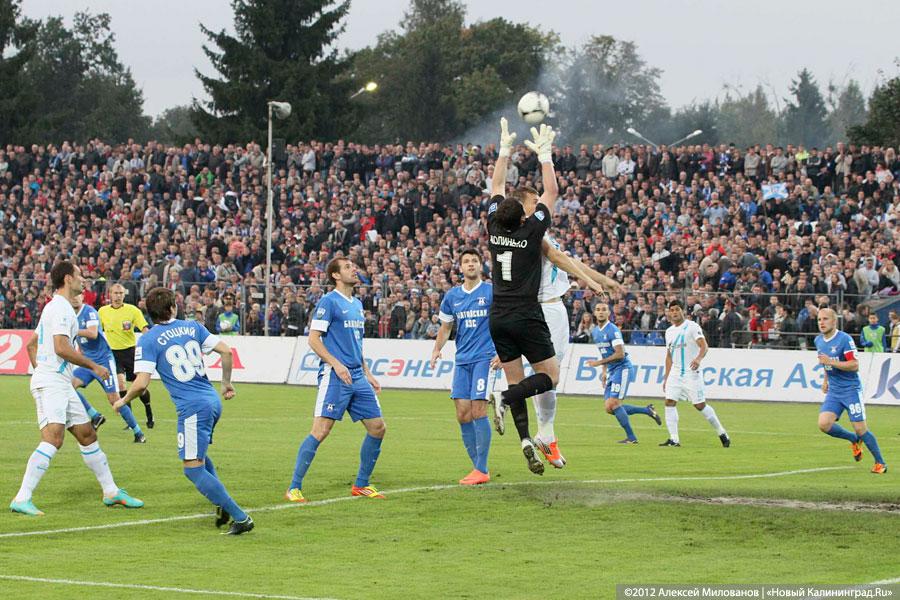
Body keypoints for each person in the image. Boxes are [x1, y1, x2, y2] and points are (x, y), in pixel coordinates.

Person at [113, 287, 253, 534]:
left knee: (192, 469)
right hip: (211, 400)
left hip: (192, 408)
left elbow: (142, 382)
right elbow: (226, 351)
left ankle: (240, 517)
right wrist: (226, 383)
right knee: (199, 454)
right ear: (173, 308)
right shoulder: (193, 326)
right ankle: (221, 503)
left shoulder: (147, 339)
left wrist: (123, 401)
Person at [10, 261, 143, 516]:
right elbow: (61, 347)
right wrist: (93, 367)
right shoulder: (60, 308)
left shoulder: (58, 308)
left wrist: (44, 369)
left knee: (86, 434)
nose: (84, 280)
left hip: (58, 381)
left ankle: (111, 492)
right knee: (53, 439)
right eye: (80, 276)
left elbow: (32, 345)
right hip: (52, 383)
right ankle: (22, 497)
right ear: (68, 278)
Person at [516, 190, 623, 467]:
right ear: (524, 207)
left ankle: (545, 434)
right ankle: (525, 415)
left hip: (548, 308)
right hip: (546, 307)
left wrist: (602, 279)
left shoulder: (537, 231)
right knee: (548, 375)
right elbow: (561, 259)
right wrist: (591, 281)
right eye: (534, 201)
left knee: (547, 375)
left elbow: (568, 260)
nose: (540, 204)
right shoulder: (529, 231)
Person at [485, 119, 560, 476]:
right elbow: (552, 193)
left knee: (516, 380)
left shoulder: (494, 227)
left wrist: (503, 149)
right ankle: (503, 398)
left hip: (497, 315)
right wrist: (545, 155)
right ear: (524, 214)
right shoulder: (532, 231)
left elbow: (497, 184)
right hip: (526, 314)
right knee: (551, 377)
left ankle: (525, 441)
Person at [286, 257, 387, 502]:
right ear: (335, 275)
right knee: (321, 430)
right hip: (335, 375)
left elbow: (356, 344)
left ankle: (361, 484)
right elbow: (313, 339)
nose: (354, 269)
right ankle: (293, 488)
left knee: (378, 428)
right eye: (348, 267)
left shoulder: (357, 304)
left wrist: (367, 372)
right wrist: (335, 364)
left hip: (357, 375)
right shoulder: (329, 302)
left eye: (354, 266)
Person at [430, 248, 500, 485]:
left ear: (481, 266)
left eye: (474, 261)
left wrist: (504, 352)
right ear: (460, 267)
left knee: (478, 411)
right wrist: (437, 349)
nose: (470, 264)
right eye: (466, 261)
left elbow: (505, 322)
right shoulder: (452, 296)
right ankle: (477, 466)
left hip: (485, 358)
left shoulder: (491, 292)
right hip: (462, 360)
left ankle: (481, 469)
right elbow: (446, 327)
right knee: (462, 414)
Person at [815, 308, 886, 473]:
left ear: (834, 321)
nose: (822, 323)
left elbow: (854, 365)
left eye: (825, 319)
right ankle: (853, 440)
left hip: (851, 390)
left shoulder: (844, 339)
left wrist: (831, 363)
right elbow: (825, 362)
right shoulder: (819, 341)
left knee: (861, 429)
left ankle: (880, 463)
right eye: (819, 319)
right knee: (824, 424)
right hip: (834, 391)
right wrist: (825, 380)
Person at [71, 292, 146, 443]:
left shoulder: (89, 312)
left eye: (77, 295)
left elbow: (92, 334)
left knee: (114, 399)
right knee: (68, 386)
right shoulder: (70, 315)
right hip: (87, 362)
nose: (74, 298)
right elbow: (80, 341)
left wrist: (73, 330)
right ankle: (95, 415)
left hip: (103, 361)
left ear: (82, 297)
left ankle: (139, 433)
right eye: (71, 296)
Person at [585, 302, 660, 443]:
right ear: (594, 313)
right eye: (598, 309)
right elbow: (604, 353)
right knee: (609, 408)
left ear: (609, 314)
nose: (601, 312)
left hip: (623, 369)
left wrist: (598, 363)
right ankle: (647, 410)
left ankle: (631, 438)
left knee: (613, 404)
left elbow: (620, 354)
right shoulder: (595, 332)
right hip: (612, 371)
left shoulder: (613, 330)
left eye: (604, 310)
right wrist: (604, 371)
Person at [660, 300, 731, 447]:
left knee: (699, 405)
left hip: (691, 373)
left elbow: (704, 346)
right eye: (671, 310)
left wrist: (698, 358)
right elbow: (669, 356)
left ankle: (721, 432)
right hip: (675, 372)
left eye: (677, 309)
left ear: (683, 311)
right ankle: (674, 439)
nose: (674, 312)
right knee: (669, 402)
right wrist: (666, 378)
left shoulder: (692, 327)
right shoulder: (669, 331)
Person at [99, 283, 153, 428]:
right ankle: (131, 420)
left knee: (139, 388)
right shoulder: (102, 311)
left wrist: (149, 345)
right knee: (121, 383)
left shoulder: (133, 311)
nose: (118, 296)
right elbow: (97, 332)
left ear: (124, 295)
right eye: (115, 293)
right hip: (113, 354)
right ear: (110, 294)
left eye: (120, 293)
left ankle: (149, 412)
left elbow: (144, 328)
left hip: (130, 352)